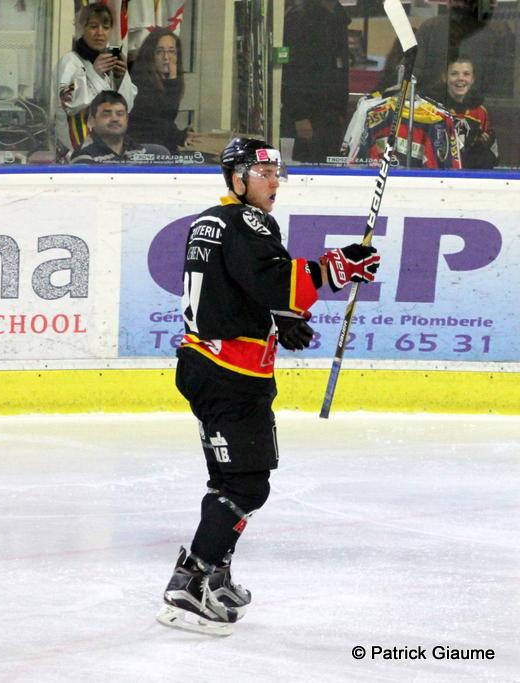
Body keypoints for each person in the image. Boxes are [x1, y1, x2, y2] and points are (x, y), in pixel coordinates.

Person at [157, 138, 381, 636]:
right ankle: (189, 586)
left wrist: (282, 317)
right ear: (237, 179)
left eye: (277, 173)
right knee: (247, 485)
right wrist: (337, 267)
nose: (275, 182)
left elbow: (236, 287)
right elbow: (272, 279)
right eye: (264, 174)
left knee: (229, 481)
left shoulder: (212, 221)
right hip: (231, 375)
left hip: (208, 365)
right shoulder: (248, 221)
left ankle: (214, 576)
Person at [55, 4, 137, 160]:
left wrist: (121, 78)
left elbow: (127, 107)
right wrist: (95, 73)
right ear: (81, 28)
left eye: (106, 27)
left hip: (109, 149)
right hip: (77, 151)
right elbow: (68, 103)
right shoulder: (70, 61)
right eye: (93, 26)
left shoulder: (111, 61)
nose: (100, 33)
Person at [280, 0, 350, 164]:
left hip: (330, 115)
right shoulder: (300, 19)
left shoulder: (338, 18)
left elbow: (339, 70)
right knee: (307, 165)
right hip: (309, 116)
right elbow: (292, 71)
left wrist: (340, 110)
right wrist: (300, 116)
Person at [413, 0, 515, 99]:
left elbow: (503, 78)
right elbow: (413, 72)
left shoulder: (498, 31)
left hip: (478, 103)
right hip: (434, 104)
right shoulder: (431, 28)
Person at [127, 27, 196, 153]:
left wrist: (182, 135)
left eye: (171, 52)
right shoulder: (139, 81)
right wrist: (172, 80)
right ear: (150, 56)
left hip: (160, 144)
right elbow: (160, 122)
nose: (166, 58)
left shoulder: (165, 80)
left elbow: (166, 121)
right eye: (159, 52)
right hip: (143, 149)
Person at [69, 90, 169, 164]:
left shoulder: (138, 149)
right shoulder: (84, 156)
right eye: (106, 114)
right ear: (92, 120)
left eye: (120, 114)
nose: (115, 119)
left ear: (127, 119)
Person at [432, 57, 498, 169]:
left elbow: (492, 158)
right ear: (445, 77)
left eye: (466, 74)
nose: (460, 78)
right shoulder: (431, 109)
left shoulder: (481, 112)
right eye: (454, 74)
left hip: (470, 175)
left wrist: (482, 146)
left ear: (472, 79)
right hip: (440, 173)